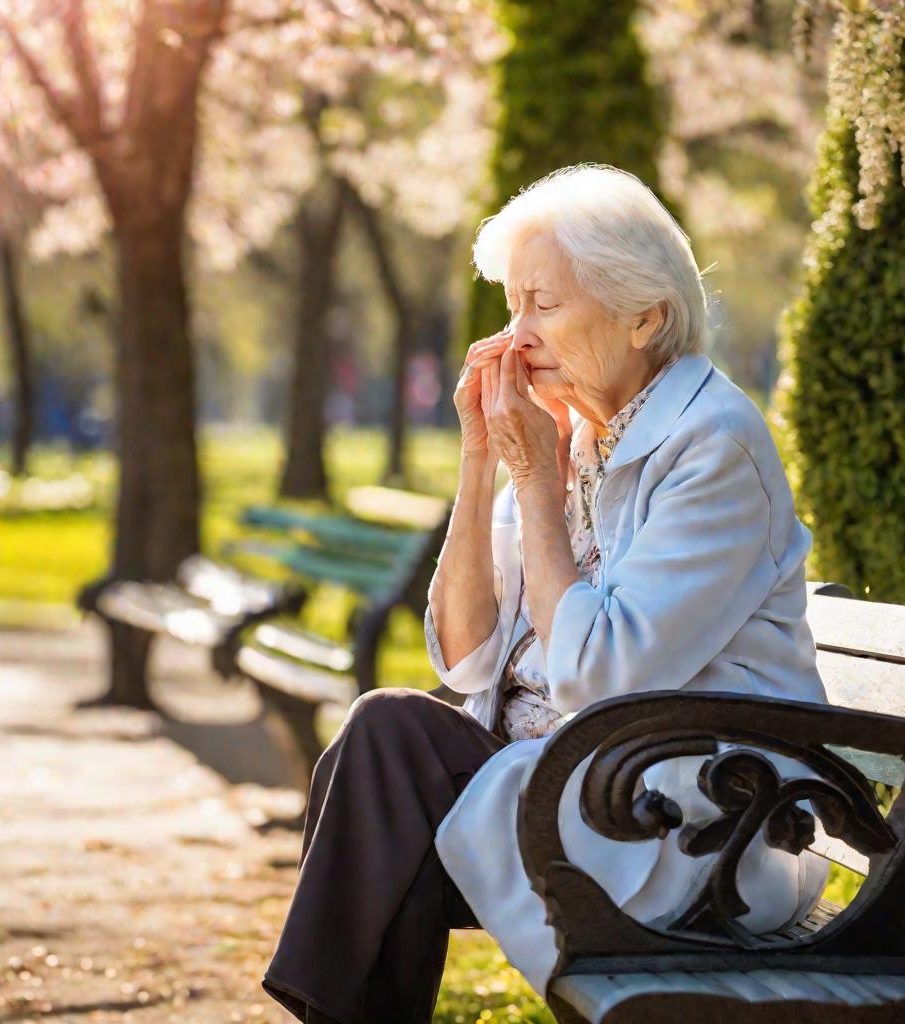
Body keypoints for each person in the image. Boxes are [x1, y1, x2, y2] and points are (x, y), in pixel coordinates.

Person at [262, 163, 830, 1024]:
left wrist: (534, 485)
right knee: (387, 740)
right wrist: (482, 458)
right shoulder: (580, 436)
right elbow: (465, 655)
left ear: (644, 315)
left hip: (693, 814)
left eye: (544, 304)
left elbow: (603, 676)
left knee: (389, 763)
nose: (517, 336)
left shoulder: (712, 446)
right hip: (577, 776)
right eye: (511, 305)